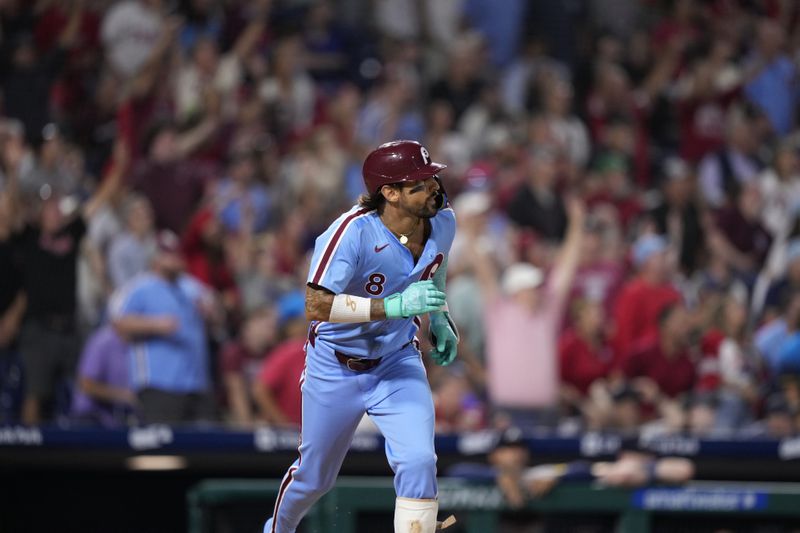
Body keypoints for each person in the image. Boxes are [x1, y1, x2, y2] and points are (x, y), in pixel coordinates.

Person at [262, 140, 458, 533]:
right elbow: (316, 306)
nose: (433, 187)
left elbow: (434, 268)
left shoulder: (444, 220)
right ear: (390, 193)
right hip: (336, 364)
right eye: (419, 183)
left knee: (419, 460)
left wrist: (440, 316)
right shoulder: (351, 233)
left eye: (432, 177)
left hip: (397, 359)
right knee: (315, 479)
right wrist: (393, 307)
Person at [110, 230, 218, 425]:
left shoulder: (191, 287)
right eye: (168, 254)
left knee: (205, 447)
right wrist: (155, 324)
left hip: (196, 384)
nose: (176, 259)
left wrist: (212, 313)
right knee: (164, 448)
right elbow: (119, 322)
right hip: (159, 384)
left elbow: (216, 312)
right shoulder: (140, 287)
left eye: (177, 253)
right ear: (155, 257)